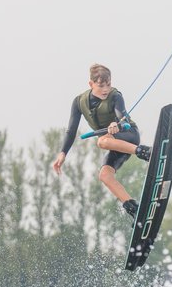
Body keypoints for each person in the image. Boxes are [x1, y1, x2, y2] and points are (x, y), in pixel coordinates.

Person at [53, 64, 151, 218]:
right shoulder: (79, 102)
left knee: (101, 142)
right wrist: (62, 153)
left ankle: (145, 152)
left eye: (108, 84)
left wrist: (116, 125)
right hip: (114, 144)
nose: (105, 89)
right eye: (101, 86)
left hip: (129, 135)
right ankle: (134, 209)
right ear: (91, 84)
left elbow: (121, 116)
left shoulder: (115, 96)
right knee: (104, 175)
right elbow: (71, 130)